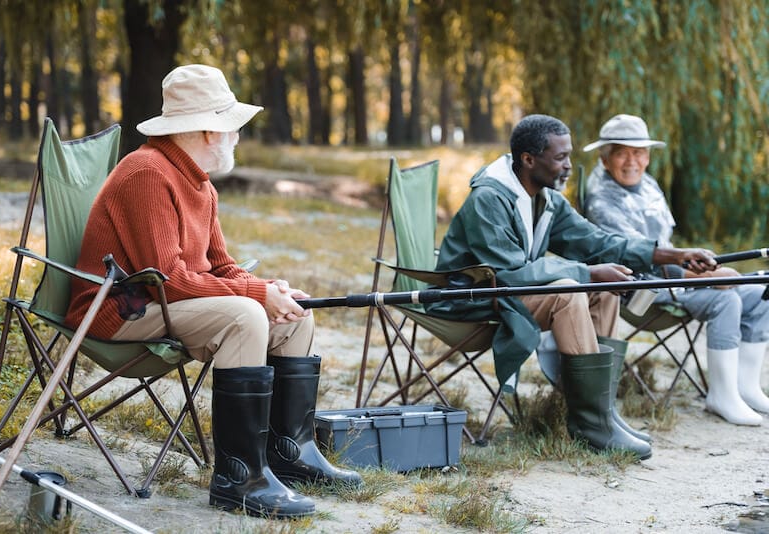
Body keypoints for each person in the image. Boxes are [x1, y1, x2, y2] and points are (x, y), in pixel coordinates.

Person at [65, 64, 361, 519]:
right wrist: (256, 296)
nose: (238, 138)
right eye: (233, 128)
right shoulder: (148, 172)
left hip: (160, 300)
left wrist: (270, 289)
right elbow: (166, 278)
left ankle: (289, 454)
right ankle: (239, 478)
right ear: (208, 130)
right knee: (245, 316)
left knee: (297, 311)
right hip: (121, 305)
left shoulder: (198, 180)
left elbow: (219, 265)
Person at [425, 114, 718, 460]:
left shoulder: (544, 197)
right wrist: (589, 272)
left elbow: (598, 242)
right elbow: (508, 273)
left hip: (508, 295)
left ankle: (600, 413)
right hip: (469, 302)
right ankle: (590, 424)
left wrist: (674, 254)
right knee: (568, 291)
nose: (568, 166)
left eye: (569, 156)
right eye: (561, 157)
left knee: (604, 290)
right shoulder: (490, 198)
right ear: (529, 160)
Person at [583, 113, 769, 426]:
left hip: (675, 281)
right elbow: (640, 258)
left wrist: (705, 270)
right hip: (641, 293)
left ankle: (745, 388)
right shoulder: (602, 200)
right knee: (726, 299)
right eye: (622, 153)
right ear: (605, 158)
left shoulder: (647, 184)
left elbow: (666, 244)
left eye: (639, 152)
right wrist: (706, 277)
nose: (633, 161)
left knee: (762, 294)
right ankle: (721, 396)